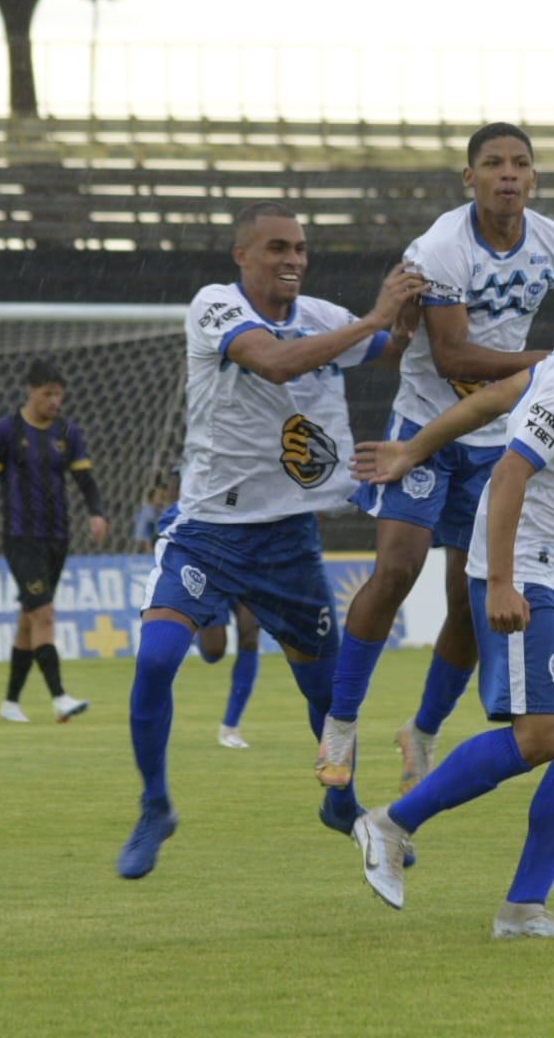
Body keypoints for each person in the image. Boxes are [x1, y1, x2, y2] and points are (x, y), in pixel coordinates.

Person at [319, 122, 554, 796]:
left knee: (468, 604)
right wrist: (551, 366)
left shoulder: (552, 243)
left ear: (534, 176)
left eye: (519, 163)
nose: (507, 174)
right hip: (430, 426)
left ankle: (423, 732)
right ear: (469, 179)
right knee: (398, 569)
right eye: (492, 163)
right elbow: (453, 357)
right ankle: (339, 724)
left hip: (500, 436)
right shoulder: (441, 247)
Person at [347, 257, 554, 939]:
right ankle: (388, 822)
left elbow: (491, 400)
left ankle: (523, 908)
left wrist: (411, 450)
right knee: (541, 736)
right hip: (528, 572)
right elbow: (506, 473)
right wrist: (497, 580)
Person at [116, 200, 423, 879]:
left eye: (301, 249)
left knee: (329, 695)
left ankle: (340, 802)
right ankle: (154, 805)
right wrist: (374, 319)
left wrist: (406, 312)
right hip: (207, 533)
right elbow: (275, 364)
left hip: (286, 542)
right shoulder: (214, 306)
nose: (292, 259)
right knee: (157, 659)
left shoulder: (323, 316)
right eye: (278, 247)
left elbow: (388, 350)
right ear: (242, 256)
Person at [0, 358, 108, 724]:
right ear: (30, 391)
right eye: (48, 394)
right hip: (20, 539)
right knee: (44, 614)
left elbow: (86, 480)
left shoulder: (67, 432)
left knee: (28, 620)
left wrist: (96, 512)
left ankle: (11, 704)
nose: (55, 402)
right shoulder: (6, 430)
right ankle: (60, 697)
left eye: (59, 395)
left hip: (57, 538)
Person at [154, 497, 264, 749]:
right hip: (208, 566)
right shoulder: (201, 473)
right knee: (214, 652)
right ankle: (194, 632)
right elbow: (172, 514)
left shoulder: (258, 472)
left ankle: (230, 727)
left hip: (245, 565)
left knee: (249, 635)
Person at [131, 481, 170, 553]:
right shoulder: (145, 512)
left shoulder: (163, 510)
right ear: (152, 497)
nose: (163, 496)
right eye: (160, 495)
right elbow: (141, 533)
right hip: (147, 547)